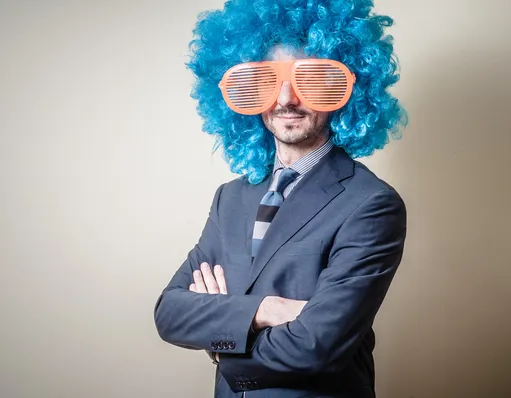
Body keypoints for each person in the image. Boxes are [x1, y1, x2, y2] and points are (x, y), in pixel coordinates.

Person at [153, 0, 408, 397]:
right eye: (266, 81)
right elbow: (169, 313)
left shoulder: (371, 203)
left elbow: (317, 344)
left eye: (312, 79)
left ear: (346, 90)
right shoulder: (231, 198)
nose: (287, 98)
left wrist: (223, 340)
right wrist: (266, 310)